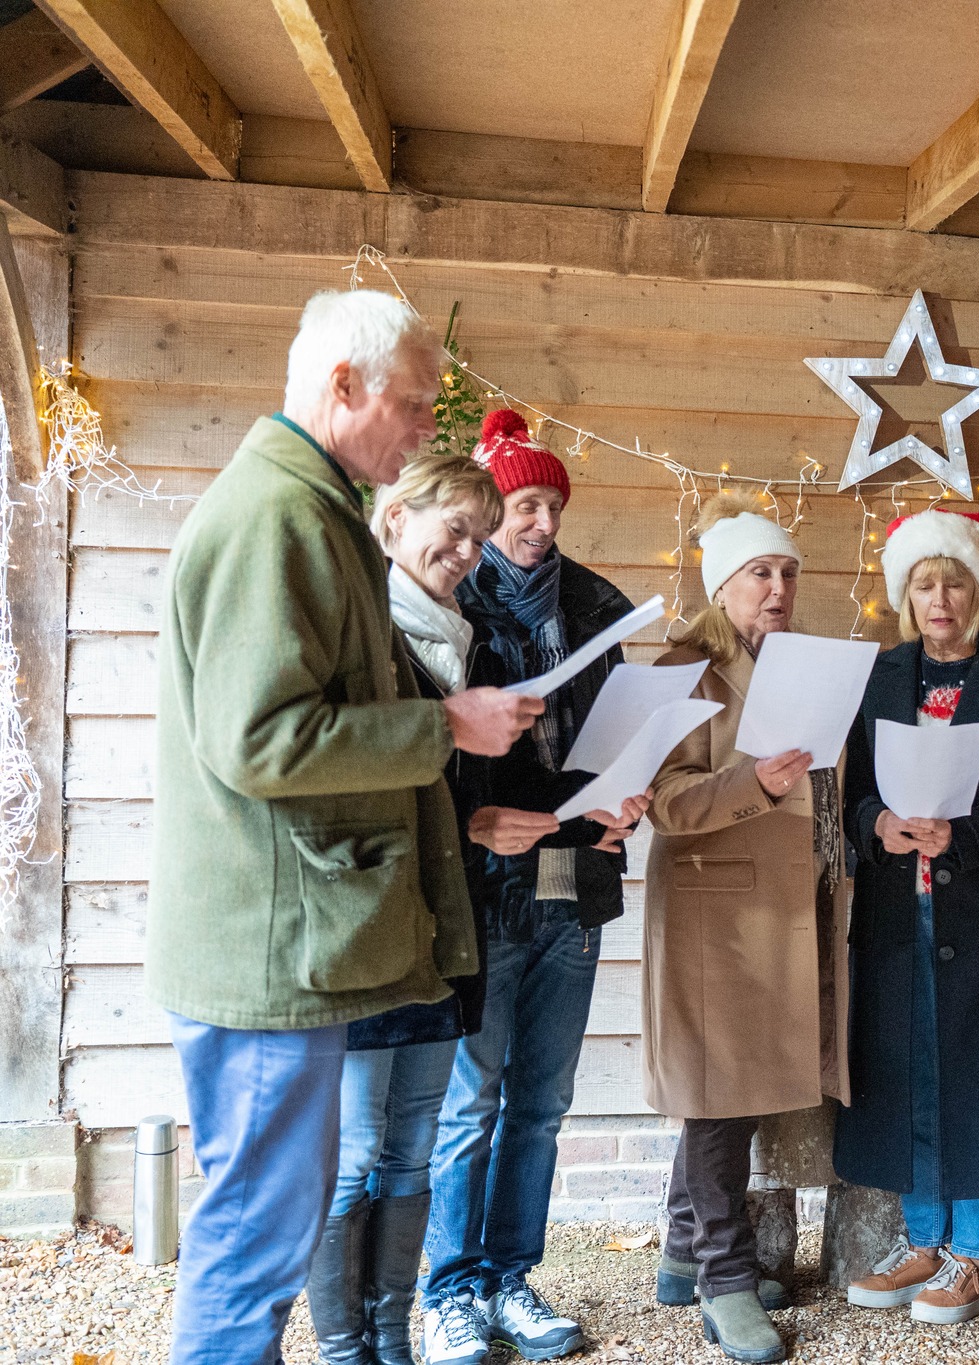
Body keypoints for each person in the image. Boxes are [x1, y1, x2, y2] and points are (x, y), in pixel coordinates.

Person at [148, 291, 542, 1365]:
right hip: (272, 944)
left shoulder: (307, 511)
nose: (427, 429)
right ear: (340, 385)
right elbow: (258, 743)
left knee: (267, 1226)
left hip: (292, 934)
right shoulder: (274, 519)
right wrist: (444, 724)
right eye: (413, 404)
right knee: (256, 1240)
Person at [306, 456, 564, 1365]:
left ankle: (390, 1335)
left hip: (441, 927)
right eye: (448, 525)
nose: (462, 548)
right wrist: (472, 814)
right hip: (365, 923)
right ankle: (345, 1349)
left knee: (411, 1148)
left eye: (472, 532)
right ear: (393, 515)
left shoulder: (461, 635)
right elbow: (336, 772)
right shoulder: (362, 628)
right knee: (354, 1153)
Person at [420, 411, 649, 1365]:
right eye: (524, 503)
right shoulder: (451, 605)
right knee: (471, 1100)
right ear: (489, 506)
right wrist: (471, 818)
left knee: (543, 1100)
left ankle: (512, 1278)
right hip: (482, 884)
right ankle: (449, 1292)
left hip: (574, 880)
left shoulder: (600, 604)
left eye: (552, 504)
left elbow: (631, 728)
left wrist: (630, 795)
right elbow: (428, 743)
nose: (540, 522)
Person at [836, 508, 979, 1327]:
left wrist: (966, 833)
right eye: (926, 582)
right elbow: (849, 789)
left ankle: (973, 1251)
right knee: (910, 1070)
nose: (941, 597)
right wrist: (877, 824)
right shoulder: (880, 677)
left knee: (977, 1073)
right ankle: (921, 1239)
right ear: (906, 591)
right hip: (902, 910)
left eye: (956, 580)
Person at [639, 494, 851, 1365]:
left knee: (740, 1085)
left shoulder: (800, 664)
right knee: (716, 1094)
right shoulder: (684, 667)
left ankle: (683, 1245)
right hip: (710, 907)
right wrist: (754, 783)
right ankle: (725, 1282)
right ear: (722, 586)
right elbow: (663, 798)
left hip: (782, 899)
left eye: (788, 574)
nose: (778, 589)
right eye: (761, 574)